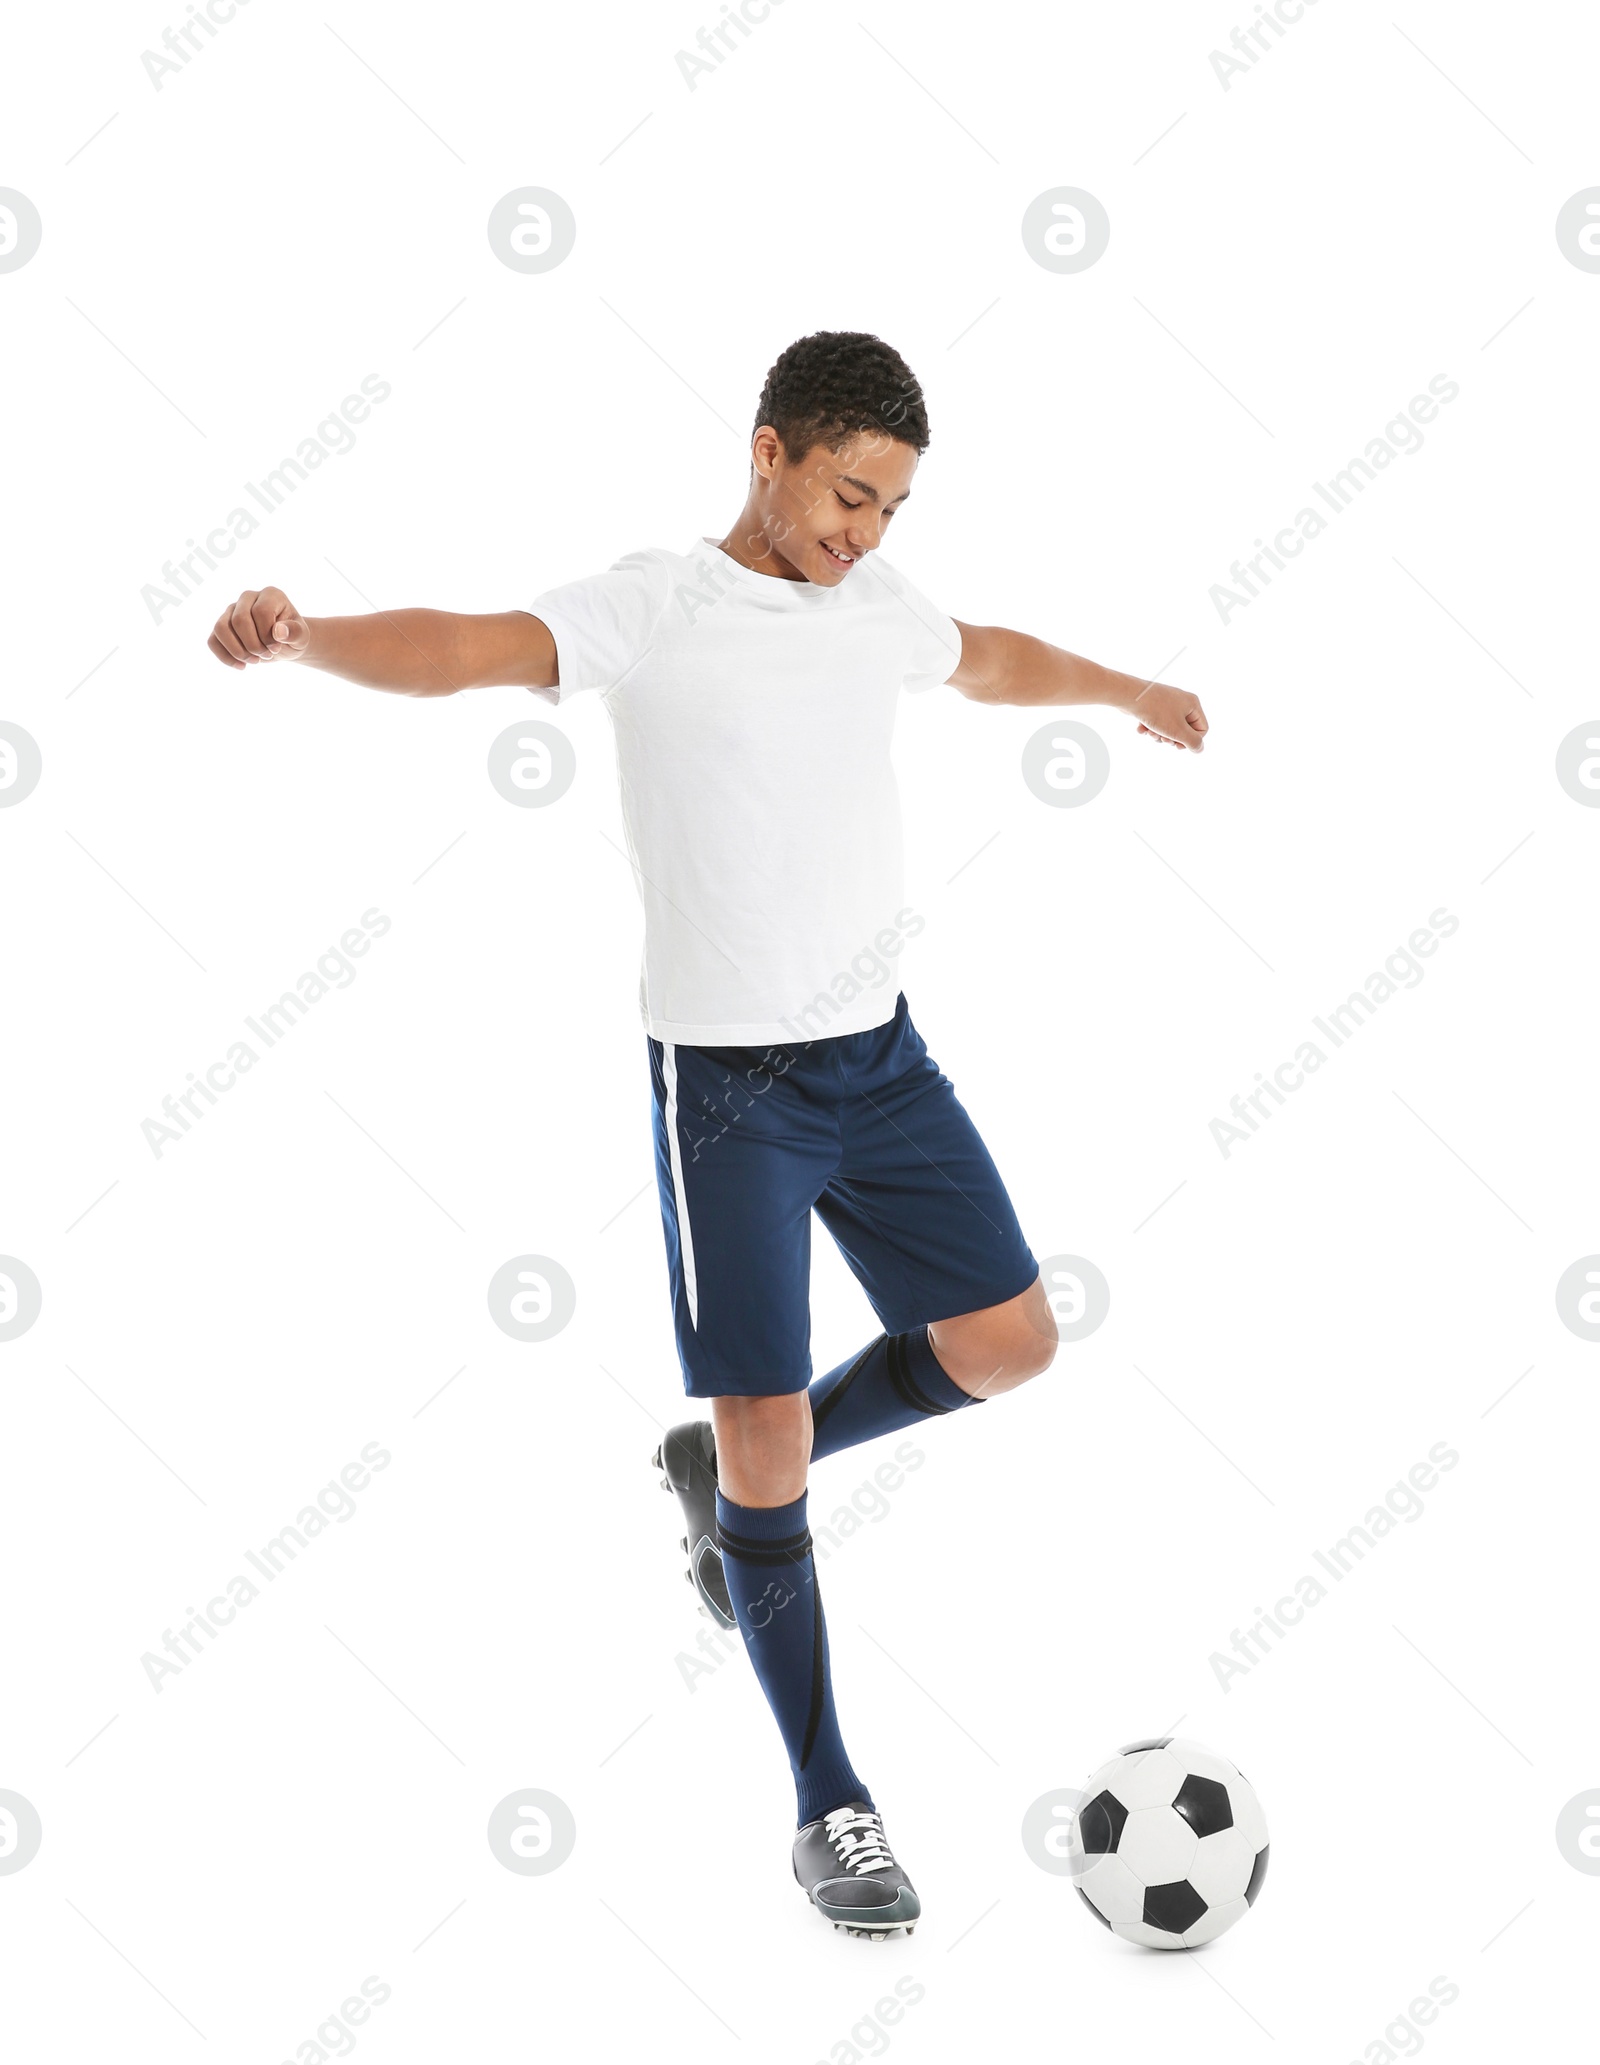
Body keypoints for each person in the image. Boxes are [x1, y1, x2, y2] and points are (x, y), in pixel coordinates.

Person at [206, 329, 1207, 1938]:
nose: (862, 534)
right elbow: (469, 643)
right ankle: (833, 1801)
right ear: (768, 451)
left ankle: (732, 1484)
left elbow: (995, 655)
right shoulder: (657, 602)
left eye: (888, 508)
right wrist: (307, 635)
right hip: (731, 1094)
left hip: (883, 1065)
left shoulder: (876, 607)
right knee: (768, 1450)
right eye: (843, 493)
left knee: (1014, 1341)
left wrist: (1131, 687)